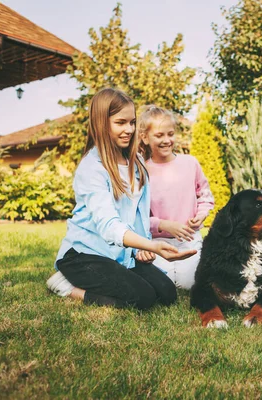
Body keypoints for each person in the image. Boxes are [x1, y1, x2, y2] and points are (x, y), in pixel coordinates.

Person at [46, 88, 195, 310]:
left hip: (121, 255)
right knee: (142, 299)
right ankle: (65, 285)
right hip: (84, 255)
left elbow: (138, 214)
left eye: (132, 122)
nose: (129, 129)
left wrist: (140, 248)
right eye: (121, 122)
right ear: (101, 123)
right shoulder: (91, 168)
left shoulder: (137, 163)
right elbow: (109, 227)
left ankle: (116, 274)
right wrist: (153, 245)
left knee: (166, 293)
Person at [138, 105, 214, 290]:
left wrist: (202, 215)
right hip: (157, 242)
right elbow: (137, 216)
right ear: (145, 138)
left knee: (189, 284)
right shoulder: (141, 171)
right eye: (159, 135)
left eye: (170, 134)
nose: (166, 140)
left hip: (189, 239)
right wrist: (162, 224)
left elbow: (205, 196)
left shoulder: (190, 163)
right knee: (165, 284)